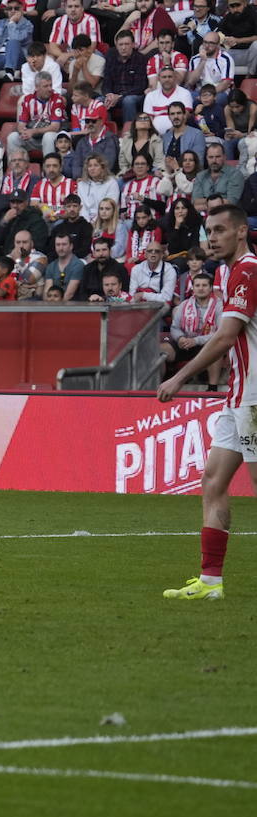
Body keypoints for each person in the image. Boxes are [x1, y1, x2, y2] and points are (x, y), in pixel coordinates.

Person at [157, 204, 257, 600]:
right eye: (208, 231)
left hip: (254, 397)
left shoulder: (247, 269)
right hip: (239, 395)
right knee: (213, 481)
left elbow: (225, 336)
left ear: (241, 232)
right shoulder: (231, 272)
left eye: (220, 230)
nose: (212, 237)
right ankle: (211, 582)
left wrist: (180, 376)